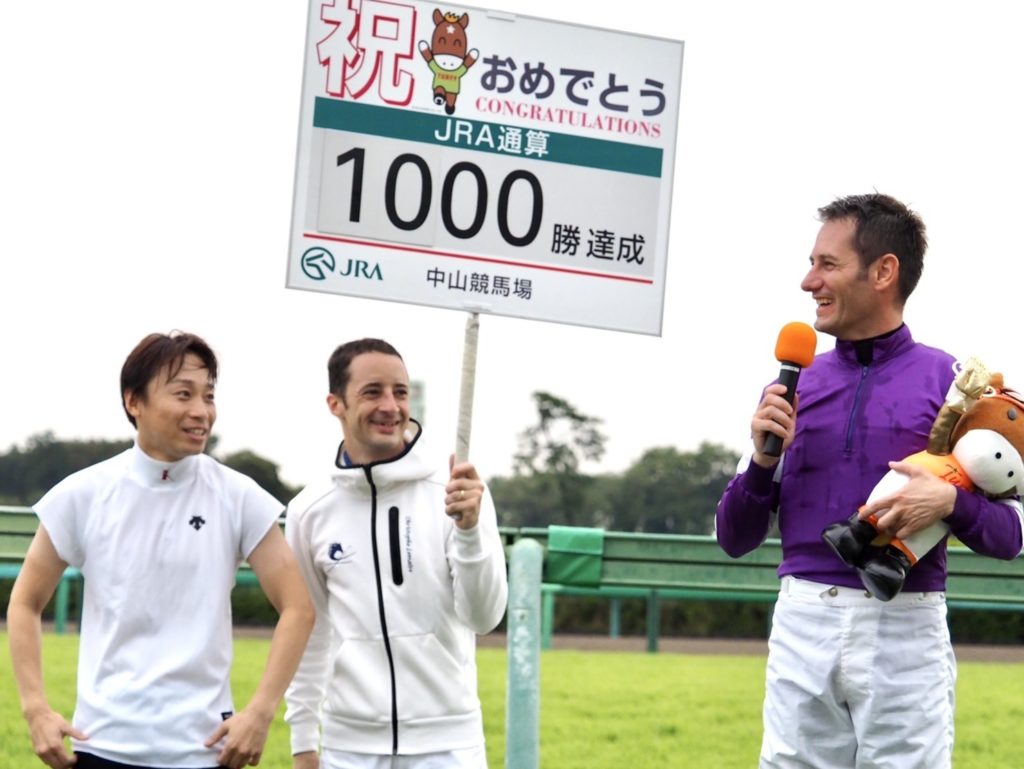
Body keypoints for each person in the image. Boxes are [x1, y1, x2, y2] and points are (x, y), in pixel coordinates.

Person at [715, 193, 1024, 769]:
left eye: (827, 265)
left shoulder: (958, 389)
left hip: (906, 627)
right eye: (812, 264)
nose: (809, 281)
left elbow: (1014, 534)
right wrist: (760, 464)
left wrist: (951, 502)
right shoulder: (789, 387)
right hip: (800, 622)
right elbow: (734, 537)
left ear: (884, 272)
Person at [7, 331, 315, 769]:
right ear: (135, 402)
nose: (201, 411)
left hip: (207, 751)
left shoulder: (238, 495)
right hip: (103, 746)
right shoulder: (82, 494)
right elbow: (24, 602)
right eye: (183, 394)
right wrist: (35, 708)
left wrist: (261, 711)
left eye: (208, 396)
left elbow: (298, 608)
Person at [284, 338, 508, 769]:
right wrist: (302, 742)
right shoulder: (308, 511)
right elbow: (309, 630)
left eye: (400, 392)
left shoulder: (459, 491)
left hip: (448, 747)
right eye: (373, 392)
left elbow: (484, 617)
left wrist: (469, 530)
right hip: (347, 749)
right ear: (336, 403)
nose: (391, 406)